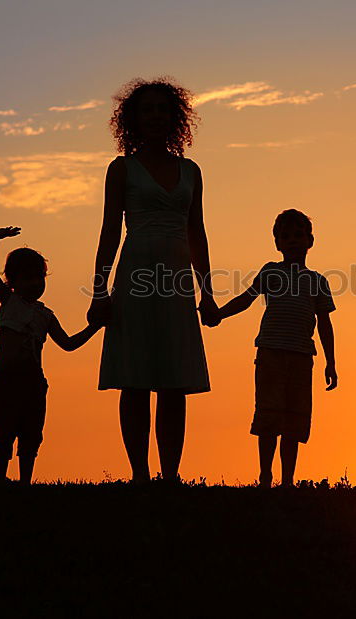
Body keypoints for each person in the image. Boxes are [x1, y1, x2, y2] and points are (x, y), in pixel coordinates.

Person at [88, 78, 217, 484]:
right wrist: (99, 290)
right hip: (136, 271)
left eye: (163, 109)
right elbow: (110, 229)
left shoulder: (191, 171)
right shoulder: (121, 168)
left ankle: (171, 473)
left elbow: (197, 231)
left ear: (175, 117)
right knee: (135, 375)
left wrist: (208, 292)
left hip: (178, 276)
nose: (156, 116)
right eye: (148, 110)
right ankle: (140, 473)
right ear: (133, 119)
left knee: (175, 379)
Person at [208, 209, 337, 487]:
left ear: (310, 241)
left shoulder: (317, 281)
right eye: (285, 236)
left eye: (298, 235)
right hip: (270, 354)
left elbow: (324, 324)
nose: (292, 241)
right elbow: (246, 299)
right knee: (268, 415)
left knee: (294, 418)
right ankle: (265, 476)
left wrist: (331, 363)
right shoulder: (270, 272)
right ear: (277, 243)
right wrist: (219, 313)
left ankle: (287, 480)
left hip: (302, 357)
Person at [0, 226, 100, 484]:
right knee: (2, 432)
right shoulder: (8, 301)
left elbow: (68, 344)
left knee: (31, 433)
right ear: (12, 282)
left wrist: (95, 327)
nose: (35, 284)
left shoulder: (45, 316)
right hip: (5, 381)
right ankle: (0, 478)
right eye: (27, 278)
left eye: (39, 278)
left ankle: (25, 481)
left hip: (34, 383)